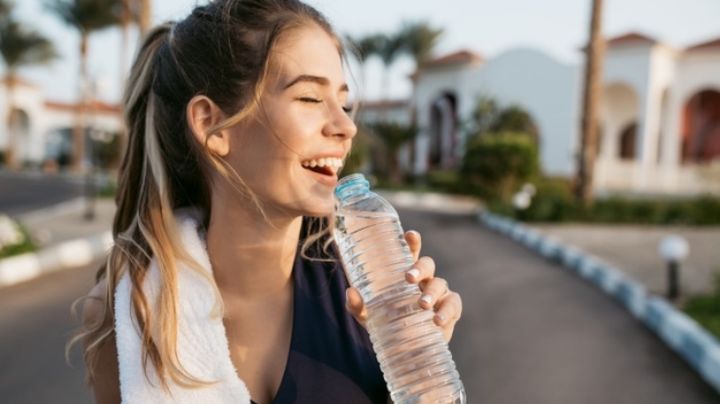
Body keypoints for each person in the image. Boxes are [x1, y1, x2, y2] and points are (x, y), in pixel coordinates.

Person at [72, 0, 464, 403]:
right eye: (310, 98)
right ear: (211, 124)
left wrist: (423, 367)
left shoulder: (364, 293)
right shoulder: (131, 311)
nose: (346, 126)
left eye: (344, 104)